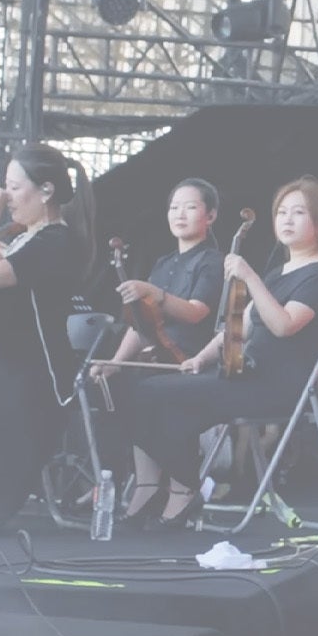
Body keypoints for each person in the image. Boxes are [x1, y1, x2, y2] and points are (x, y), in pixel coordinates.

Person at [117, 177, 318, 528]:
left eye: (298, 213)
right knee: (145, 391)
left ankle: (185, 489)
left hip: (272, 387)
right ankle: (177, 489)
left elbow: (284, 325)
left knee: (151, 394)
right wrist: (200, 359)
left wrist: (249, 277)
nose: (287, 219)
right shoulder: (279, 272)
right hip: (242, 376)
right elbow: (237, 327)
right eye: (281, 212)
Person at [0, 143, 93, 530]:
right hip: (1, 373)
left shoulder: (54, 241)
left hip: (29, 382)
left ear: (46, 190)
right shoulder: (27, 238)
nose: (6, 198)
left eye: (14, 187)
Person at [96, 180, 227, 527]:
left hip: (192, 356)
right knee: (120, 389)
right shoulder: (164, 261)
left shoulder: (212, 262)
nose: (179, 214)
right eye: (174, 207)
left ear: (210, 215)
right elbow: (141, 324)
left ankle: (184, 486)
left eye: (190, 207)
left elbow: (197, 312)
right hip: (157, 354)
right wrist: (116, 362)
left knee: (149, 393)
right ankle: (148, 484)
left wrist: (154, 292)